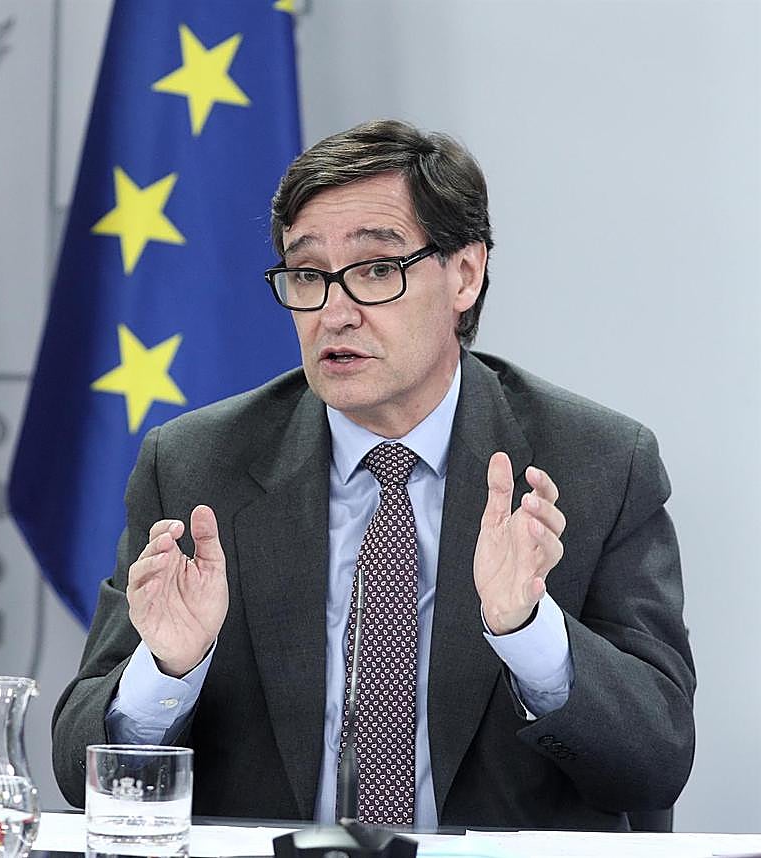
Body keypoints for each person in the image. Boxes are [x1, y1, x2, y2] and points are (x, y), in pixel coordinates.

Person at [50, 119, 695, 831]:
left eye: (377, 270)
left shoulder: (598, 462)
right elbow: (79, 771)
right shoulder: (197, 466)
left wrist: (529, 632)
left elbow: (656, 762)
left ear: (465, 274)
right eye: (307, 275)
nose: (334, 312)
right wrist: (169, 667)